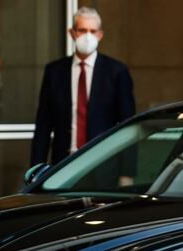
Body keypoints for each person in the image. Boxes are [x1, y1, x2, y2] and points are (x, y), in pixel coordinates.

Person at [31, 7, 135, 170]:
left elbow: (129, 127)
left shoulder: (116, 72)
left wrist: (127, 173)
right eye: (82, 30)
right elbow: (43, 126)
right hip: (62, 165)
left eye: (92, 31)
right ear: (72, 33)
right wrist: (35, 170)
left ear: (100, 35)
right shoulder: (54, 71)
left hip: (103, 164)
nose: (88, 36)